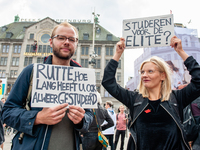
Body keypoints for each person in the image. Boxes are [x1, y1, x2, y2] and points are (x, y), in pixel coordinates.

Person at [1, 22, 93, 150]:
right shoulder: (31, 72)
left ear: (76, 44)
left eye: (72, 39)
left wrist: (82, 120)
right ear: (51, 42)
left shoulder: (83, 78)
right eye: (61, 38)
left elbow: (89, 116)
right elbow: (7, 112)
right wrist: (37, 118)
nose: (66, 42)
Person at [102, 36, 200, 150]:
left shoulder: (177, 98)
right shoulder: (134, 99)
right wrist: (118, 54)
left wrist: (181, 51)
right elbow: (108, 82)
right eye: (142, 72)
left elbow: (198, 80)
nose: (144, 75)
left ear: (162, 75)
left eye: (150, 71)